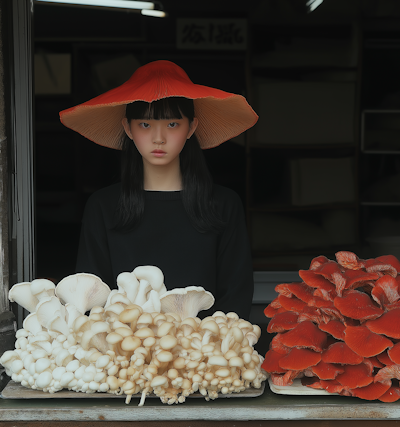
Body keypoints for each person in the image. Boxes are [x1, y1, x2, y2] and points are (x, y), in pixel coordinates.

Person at [59, 60, 258, 319]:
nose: (158, 137)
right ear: (128, 128)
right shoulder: (103, 206)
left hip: (206, 351)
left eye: (172, 124)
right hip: (122, 350)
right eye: (145, 125)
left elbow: (236, 295)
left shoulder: (223, 204)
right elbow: (90, 296)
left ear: (192, 128)